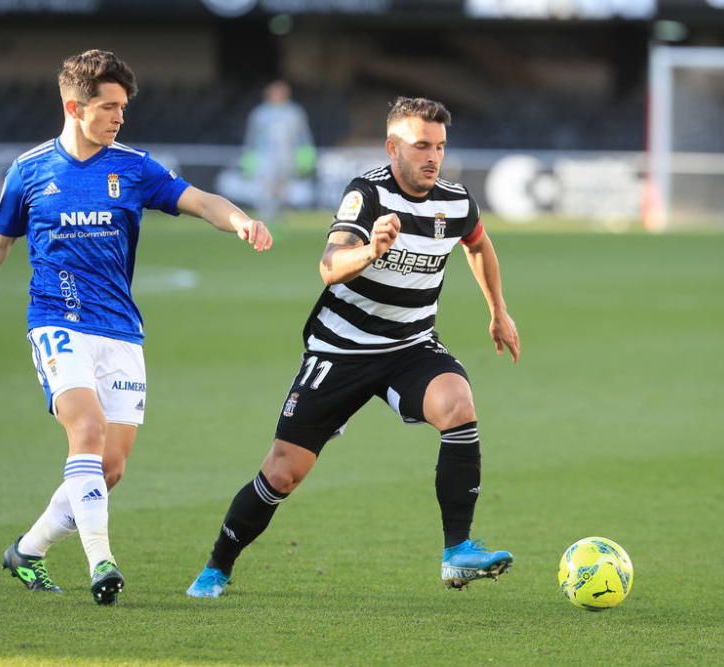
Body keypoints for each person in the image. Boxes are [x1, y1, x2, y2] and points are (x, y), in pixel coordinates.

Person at [0, 50, 272, 605]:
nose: (120, 117)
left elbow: (200, 200)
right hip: (55, 321)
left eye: (124, 107)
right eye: (109, 106)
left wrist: (240, 221)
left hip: (120, 331)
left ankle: (28, 550)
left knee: (108, 468)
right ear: (74, 105)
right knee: (85, 432)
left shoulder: (133, 167)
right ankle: (102, 562)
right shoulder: (31, 170)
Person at [187, 97, 521, 598]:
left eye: (440, 147)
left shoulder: (454, 201)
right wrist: (371, 250)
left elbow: (477, 243)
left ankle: (458, 552)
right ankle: (218, 565)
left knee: (457, 403)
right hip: (340, 350)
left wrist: (498, 310)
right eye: (421, 146)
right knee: (283, 471)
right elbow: (329, 266)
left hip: (410, 346)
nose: (433, 157)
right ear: (392, 148)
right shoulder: (367, 195)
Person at [240, 80, 315, 225]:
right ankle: (265, 216)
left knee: (283, 186)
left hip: (288, 156)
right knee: (266, 186)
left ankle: (280, 215)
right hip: (265, 157)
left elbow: (303, 136)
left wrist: (306, 154)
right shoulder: (260, 113)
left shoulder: (294, 112)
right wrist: (248, 156)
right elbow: (251, 137)